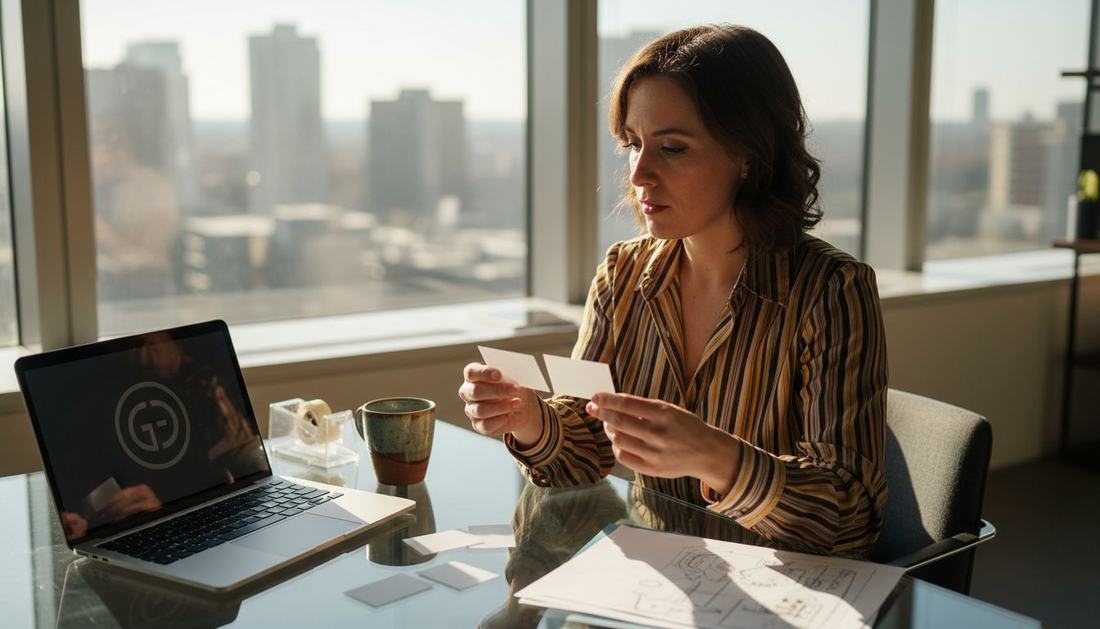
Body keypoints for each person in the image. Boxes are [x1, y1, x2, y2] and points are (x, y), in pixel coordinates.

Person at [458, 25, 888, 556]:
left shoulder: (831, 290)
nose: (639, 174)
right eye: (633, 145)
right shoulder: (621, 275)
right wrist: (529, 420)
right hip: (655, 580)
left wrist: (718, 458)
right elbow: (585, 456)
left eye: (672, 148)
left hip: (780, 587)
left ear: (747, 154)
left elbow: (850, 519)